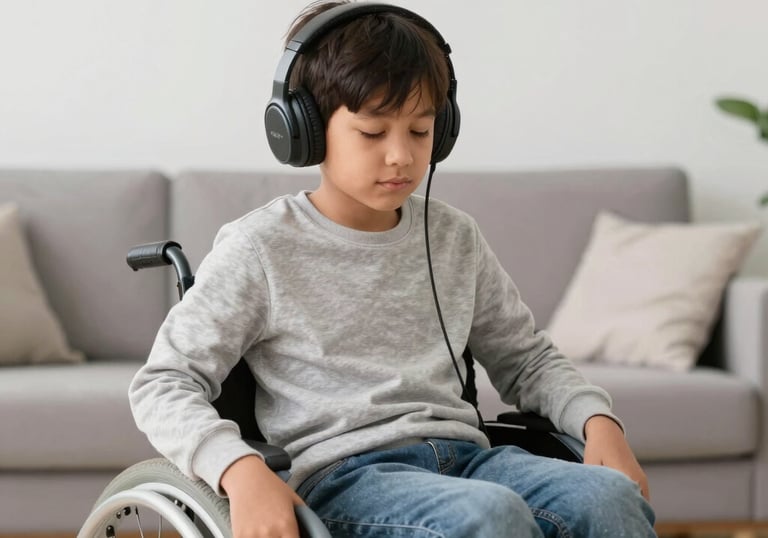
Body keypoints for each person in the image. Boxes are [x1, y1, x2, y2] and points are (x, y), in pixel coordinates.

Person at [129, 1, 656, 536]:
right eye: (373, 133)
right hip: (345, 480)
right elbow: (162, 384)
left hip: (470, 461)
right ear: (304, 131)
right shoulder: (260, 247)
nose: (401, 156)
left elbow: (527, 360)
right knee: (489, 515)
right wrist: (237, 469)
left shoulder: (454, 237)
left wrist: (597, 420)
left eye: (420, 131)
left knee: (609, 497)